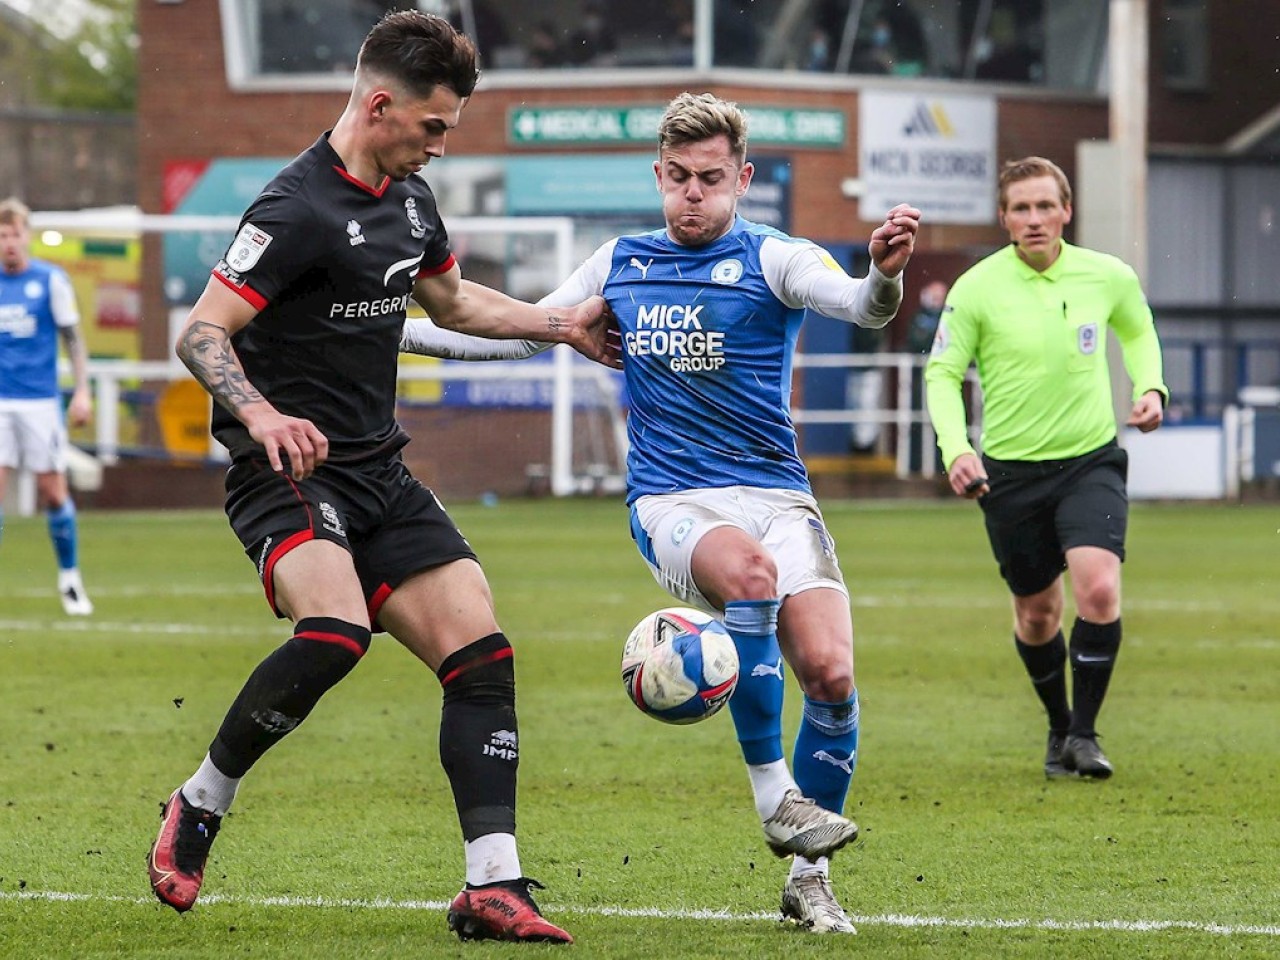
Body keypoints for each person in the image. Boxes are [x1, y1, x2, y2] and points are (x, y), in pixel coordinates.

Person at [146, 11, 615, 945]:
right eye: (433, 126)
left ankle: (493, 885)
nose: (440, 145)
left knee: (482, 656)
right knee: (335, 633)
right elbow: (200, 332)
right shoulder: (293, 208)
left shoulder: (410, 201)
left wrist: (561, 326)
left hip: (378, 471)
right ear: (378, 105)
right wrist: (264, 415)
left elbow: (454, 301)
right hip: (286, 470)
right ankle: (200, 801)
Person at [402, 92, 921, 934]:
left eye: (710, 179)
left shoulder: (775, 258)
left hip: (779, 497)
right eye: (678, 177)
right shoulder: (620, 263)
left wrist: (885, 274)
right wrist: (396, 334)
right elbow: (523, 333)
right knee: (750, 576)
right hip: (672, 500)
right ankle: (775, 798)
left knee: (830, 676)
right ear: (657, 175)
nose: (692, 194)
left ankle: (809, 879)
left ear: (742, 179)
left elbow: (860, 306)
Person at [924, 156, 1167, 781]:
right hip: (1009, 473)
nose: (1034, 219)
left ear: (1066, 211)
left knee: (1099, 589)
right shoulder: (976, 288)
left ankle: (1085, 734)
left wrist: (1151, 387)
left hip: (1091, 460)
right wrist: (957, 449)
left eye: (1044, 206)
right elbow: (943, 373)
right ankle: (1059, 726)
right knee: (1037, 615)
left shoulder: (1106, 275)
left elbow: (1139, 332)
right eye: (1021, 208)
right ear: (1004, 218)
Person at [0, 197, 94, 616]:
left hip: (40, 401)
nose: (9, 242)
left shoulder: (50, 280)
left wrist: (82, 391)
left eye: (15, 234)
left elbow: (73, 338)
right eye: (2, 235)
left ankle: (70, 578)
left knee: (53, 493)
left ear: (27, 237)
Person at [905, 279, 947, 355]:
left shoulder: (947, 315)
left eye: (939, 298)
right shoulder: (919, 316)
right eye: (934, 297)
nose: (937, 302)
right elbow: (915, 340)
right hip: (920, 356)